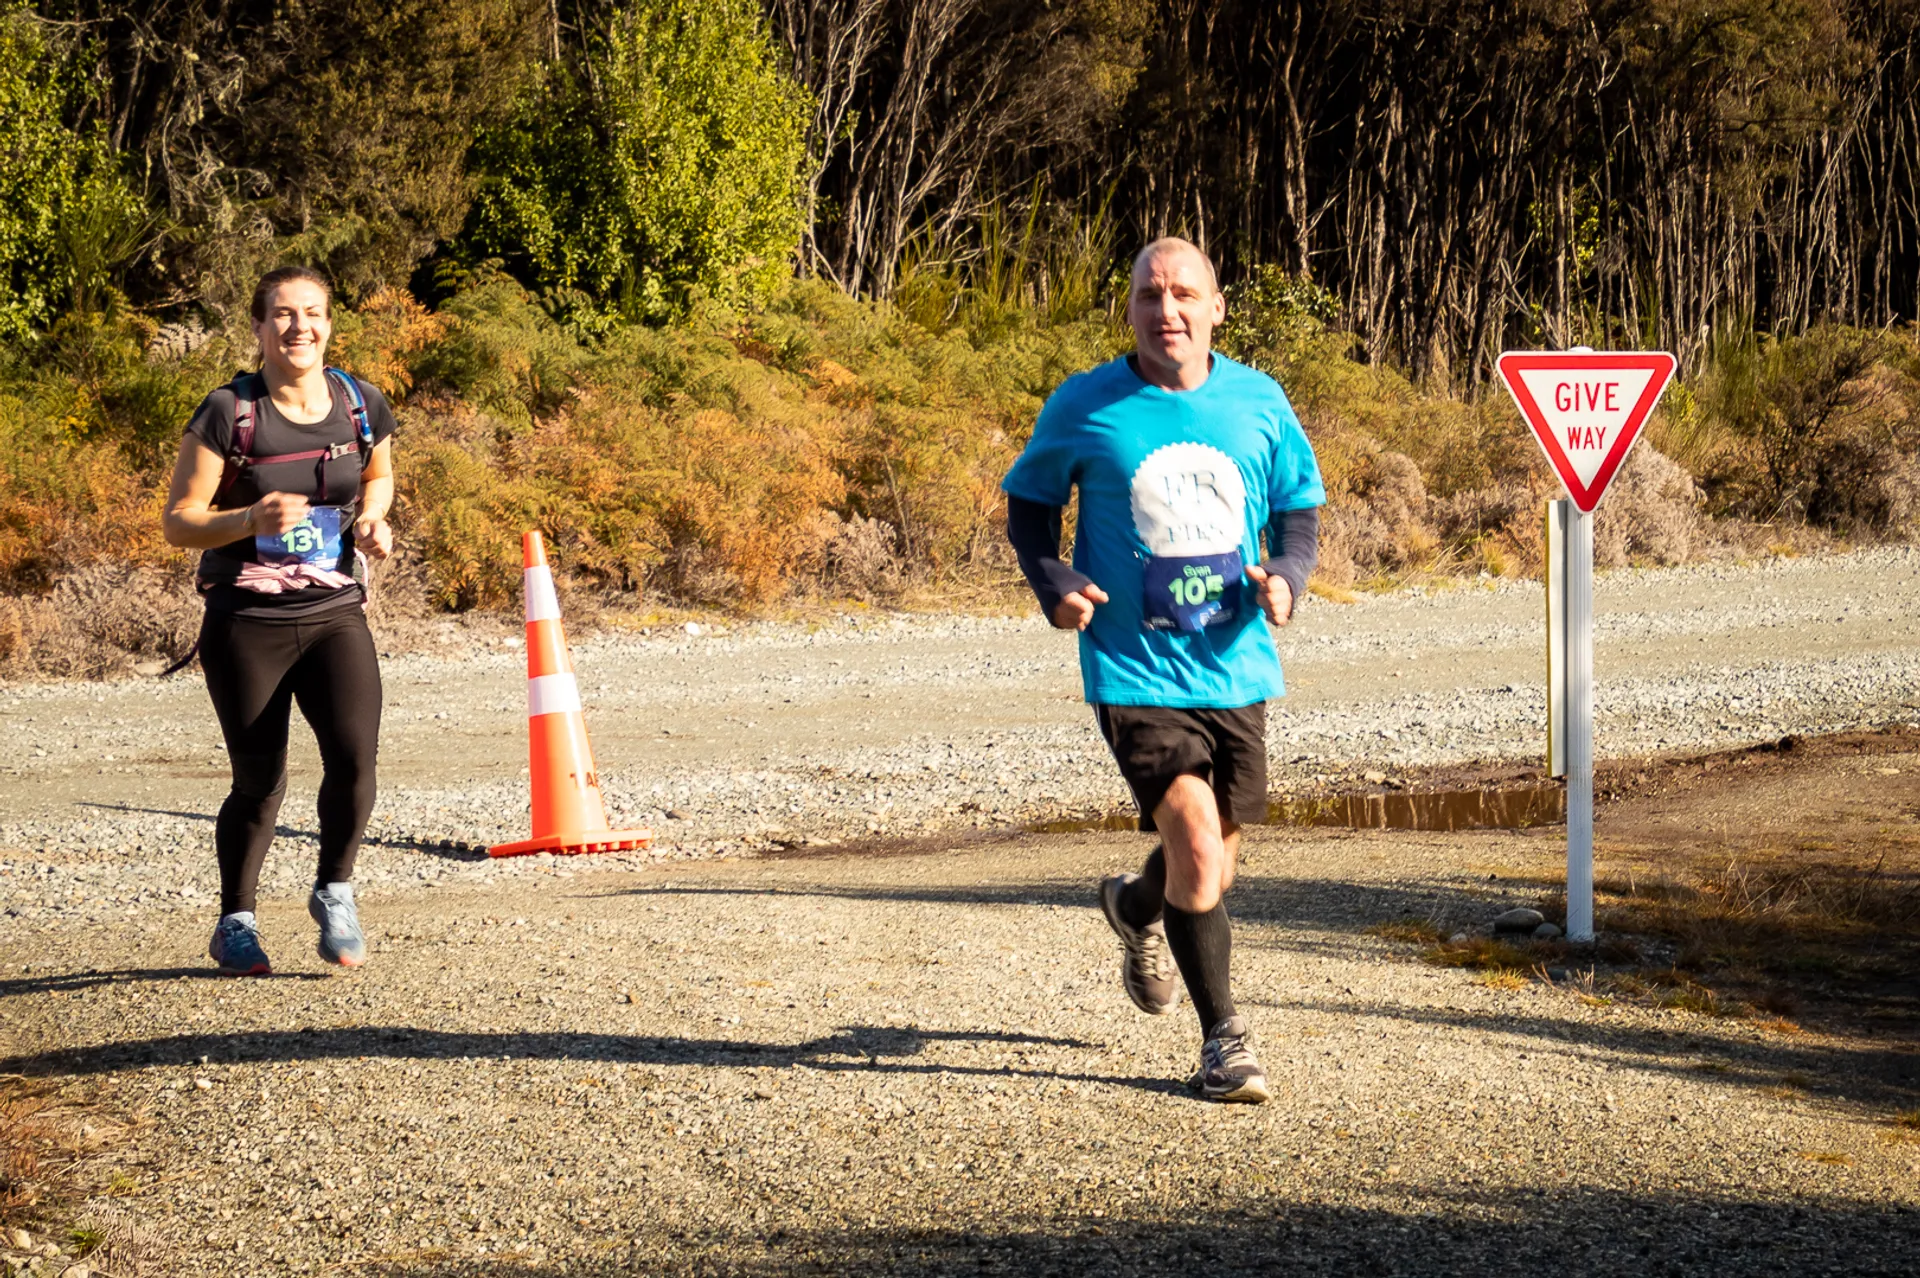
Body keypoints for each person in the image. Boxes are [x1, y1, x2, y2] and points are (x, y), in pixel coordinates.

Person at [1002, 238, 1323, 1102]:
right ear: (1132, 308)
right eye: (1150, 294)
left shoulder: (1258, 401)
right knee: (1189, 836)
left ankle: (1135, 907)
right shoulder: (1087, 406)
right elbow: (1029, 512)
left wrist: (1286, 583)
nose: (1167, 310)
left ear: (1218, 307)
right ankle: (1225, 1044)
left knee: (1210, 868)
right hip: (1133, 665)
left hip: (1235, 664)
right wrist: (1053, 581)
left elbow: (1297, 512)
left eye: (1185, 294)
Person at [162, 265, 397, 976]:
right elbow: (179, 522)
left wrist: (376, 521)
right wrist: (247, 517)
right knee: (260, 781)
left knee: (355, 761)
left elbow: (377, 475)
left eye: (314, 313)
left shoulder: (360, 403)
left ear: (330, 322)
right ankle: (236, 919)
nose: (300, 327)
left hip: (333, 614)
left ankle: (335, 890)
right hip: (246, 624)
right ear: (259, 328)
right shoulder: (229, 411)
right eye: (284, 315)